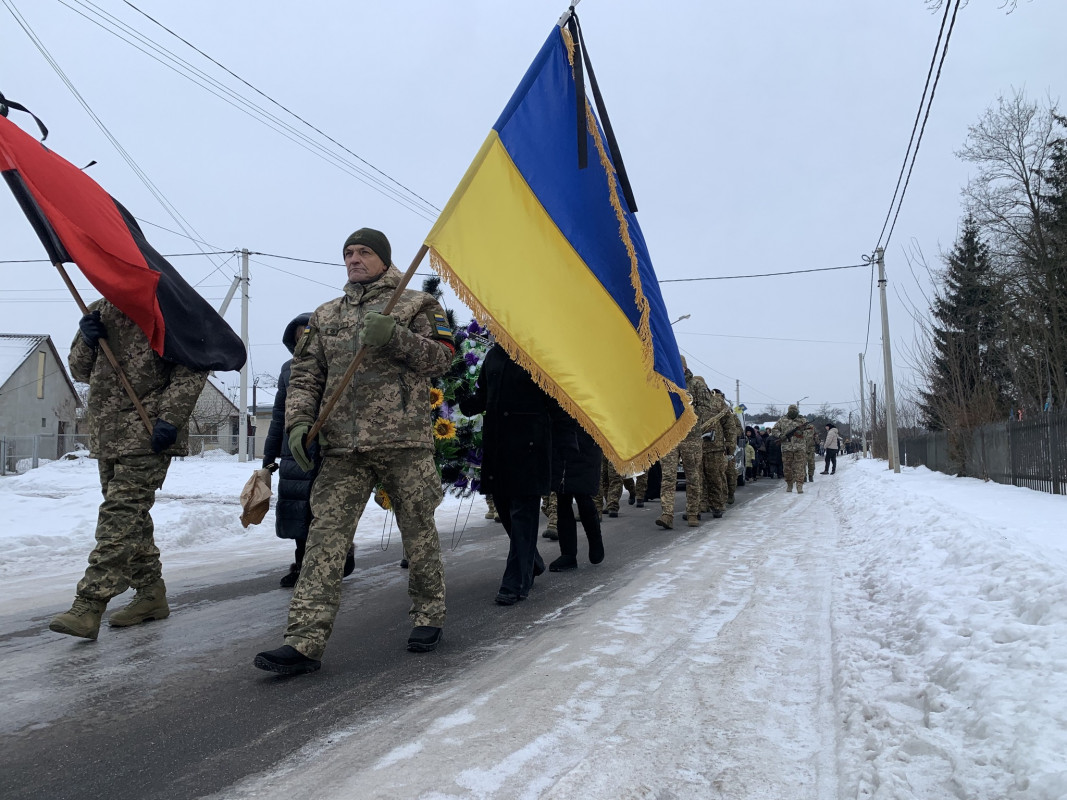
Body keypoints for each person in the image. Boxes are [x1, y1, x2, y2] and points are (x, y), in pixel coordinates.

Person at [254, 228, 454, 676]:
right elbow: (306, 376)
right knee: (324, 540)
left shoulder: (416, 304)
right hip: (343, 445)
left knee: (418, 531)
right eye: (348, 252)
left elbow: (443, 359)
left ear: (383, 258)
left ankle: (428, 616)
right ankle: (303, 641)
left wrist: (396, 338)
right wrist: (300, 424)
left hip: (403, 441)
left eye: (363, 252)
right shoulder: (326, 316)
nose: (354, 259)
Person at [48, 301, 208, 640]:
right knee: (131, 520)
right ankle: (151, 594)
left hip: (149, 434)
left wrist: (169, 418)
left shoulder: (165, 310)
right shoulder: (98, 310)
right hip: (108, 435)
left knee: (118, 517)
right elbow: (79, 371)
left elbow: (192, 368)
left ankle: (89, 604)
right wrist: (87, 340)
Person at [262, 313, 356, 588]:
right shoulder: (287, 370)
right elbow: (279, 415)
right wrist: (269, 459)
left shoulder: (338, 366)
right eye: (298, 337)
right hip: (297, 452)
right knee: (299, 512)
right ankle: (302, 564)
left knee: (327, 510)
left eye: (309, 335)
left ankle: (339, 556)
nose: (304, 341)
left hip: (331, 449)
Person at [459, 343, 555, 604]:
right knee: (504, 510)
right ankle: (531, 561)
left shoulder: (538, 354)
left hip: (529, 448)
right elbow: (482, 398)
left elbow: (556, 404)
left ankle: (516, 581)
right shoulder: (494, 354)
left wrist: (566, 445)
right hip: (498, 448)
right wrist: (460, 395)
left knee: (522, 513)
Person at [658, 357, 711, 529]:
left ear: (685, 368)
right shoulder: (665, 383)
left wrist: (690, 418)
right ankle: (667, 514)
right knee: (668, 476)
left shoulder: (697, 385)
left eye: (679, 366)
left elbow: (706, 409)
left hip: (691, 437)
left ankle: (693, 513)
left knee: (693, 476)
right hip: (670, 436)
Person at [547, 411, 604, 571]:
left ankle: (595, 542)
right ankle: (568, 554)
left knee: (583, 495)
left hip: (586, 440)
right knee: (562, 498)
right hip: (560, 441)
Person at [698, 384, 729, 519]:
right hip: (695, 448)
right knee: (696, 480)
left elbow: (729, 425)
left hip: (714, 448)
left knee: (714, 478)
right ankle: (697, 507)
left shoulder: (717, 402)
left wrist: (730, 444)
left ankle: (717, 505)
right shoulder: (688, 402)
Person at [772, 404, 810, 493]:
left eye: (794, 410)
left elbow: (810, 431)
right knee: (787, 468)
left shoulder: (802, 420)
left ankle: (799, 485)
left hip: (799, 448)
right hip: (787, 448)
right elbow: (774, 430)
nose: (792, 412)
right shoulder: (782, 420)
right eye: (791, 411)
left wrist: (802, 433)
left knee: (800, 467)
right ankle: (789, 484)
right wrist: (780, 435)